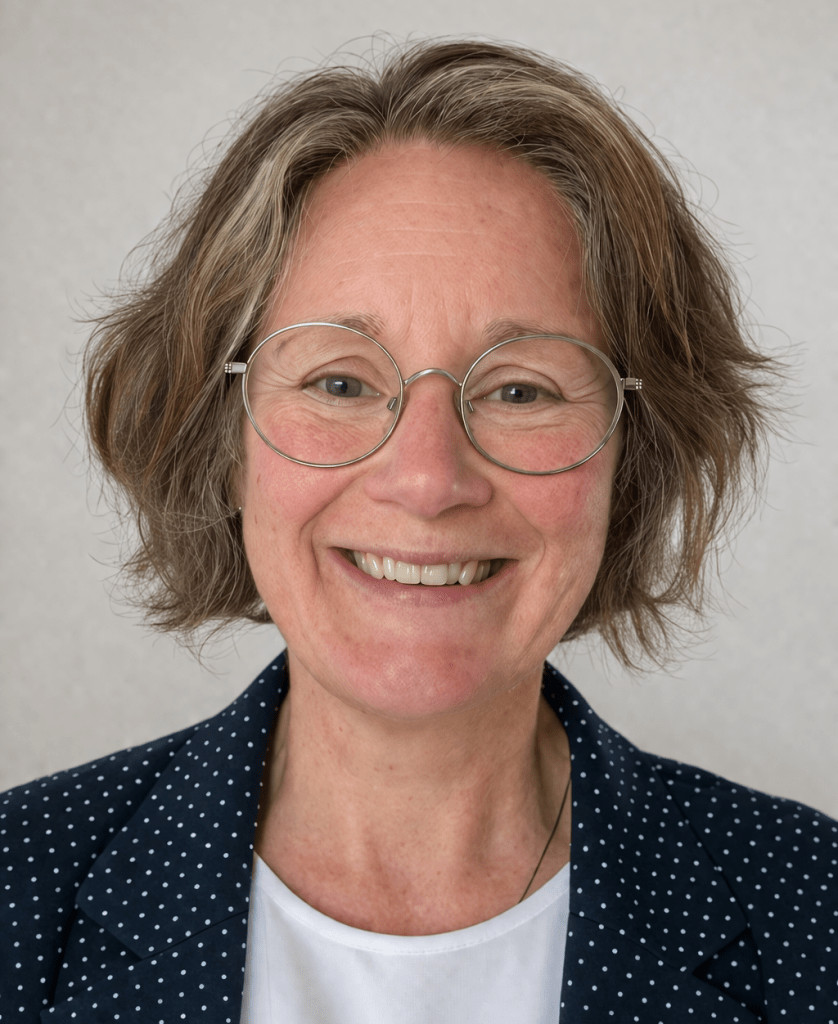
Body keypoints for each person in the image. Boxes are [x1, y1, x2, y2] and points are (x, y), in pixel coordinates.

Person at [1, 38, 835, 1024]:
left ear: (631, 455)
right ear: (221, 439)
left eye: (521, 388)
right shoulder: (22, 892)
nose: (428, 478)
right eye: (341, 381)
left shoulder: (809, 917)